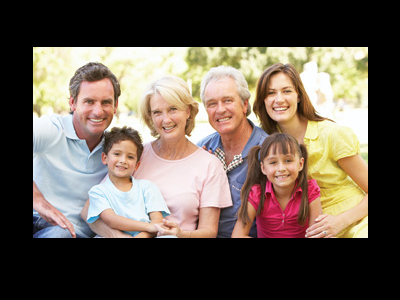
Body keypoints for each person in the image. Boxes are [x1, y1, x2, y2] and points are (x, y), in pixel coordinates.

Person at [82, 75, 232, 238]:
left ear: (188, 111)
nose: (166, 119)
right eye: (157, 112)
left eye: (173, 109)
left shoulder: (209, 165)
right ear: (151, 118)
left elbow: (209, 232)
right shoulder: (135, 155)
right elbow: (89, 210)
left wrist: (181, 234)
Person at [253, 63, 368, 238]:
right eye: (270, 93)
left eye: (286, 91)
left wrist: (341, 221)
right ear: (263, 100)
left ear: (299, 95)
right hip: (312, 229)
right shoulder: (268, 143)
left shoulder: (331, 134)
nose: (279, 99)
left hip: (356, 221)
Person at [33, 62, 120, 238]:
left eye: (106, 102)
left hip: (78, 233)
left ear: (115, 106)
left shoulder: (116, 150)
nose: (98, 111)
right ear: (73, 103)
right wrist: (37, 199)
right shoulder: (51, 129)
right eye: (89, 101)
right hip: (40, 223)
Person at [197, 66, 268, 238]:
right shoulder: (201, 150)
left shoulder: (268, 151)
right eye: (212, 104)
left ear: (244, 104)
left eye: (227, 100)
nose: (220, 110)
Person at [232, 133, 322, 238]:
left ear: (300, 164)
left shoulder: (310, 189)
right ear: (263, 168)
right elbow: (238, 235)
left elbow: (316, 234)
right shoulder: (257, 193)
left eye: (288, 160)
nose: (281, 168)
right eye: (273, 162)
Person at [86, 126, 170, 237]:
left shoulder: (147, 187)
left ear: (137, 165)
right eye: (117, 154)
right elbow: (111, 220)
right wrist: (147, 226)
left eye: (130, 157)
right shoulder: (98, 192)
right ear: (104, 158)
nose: (123, 161)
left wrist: (143, 236)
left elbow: (157, 222)